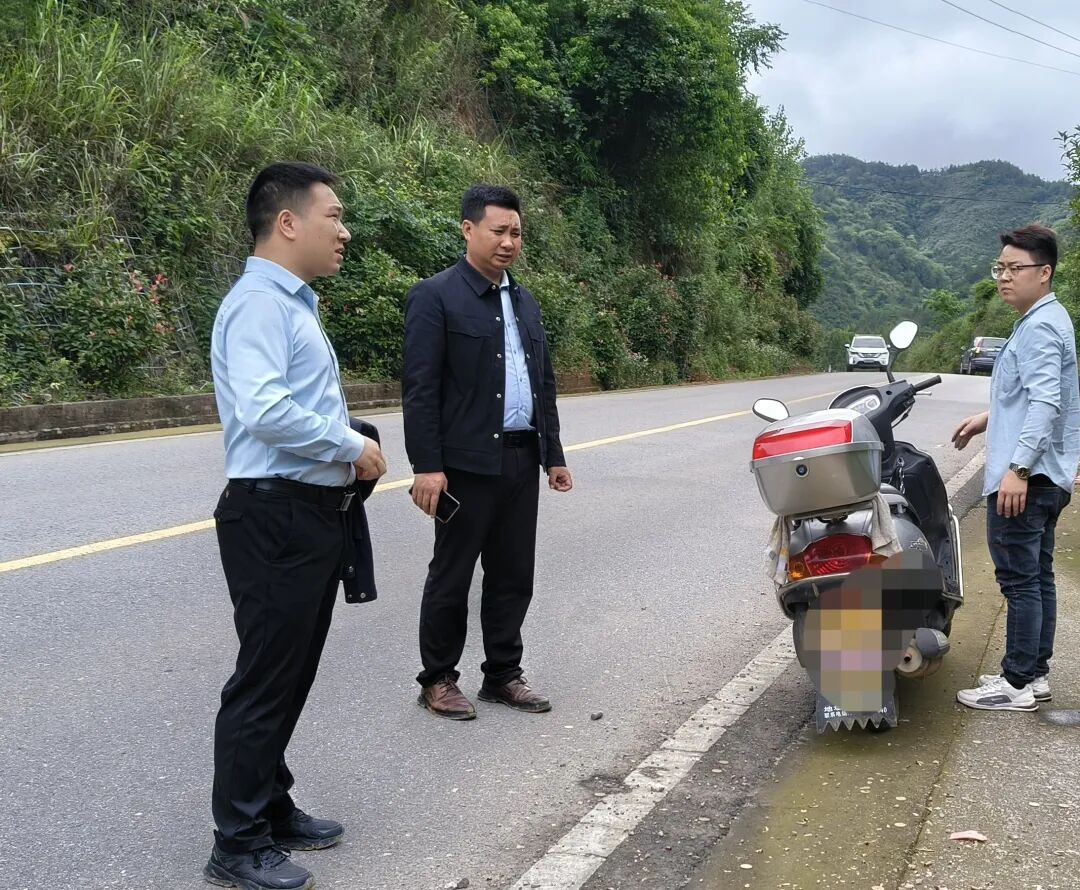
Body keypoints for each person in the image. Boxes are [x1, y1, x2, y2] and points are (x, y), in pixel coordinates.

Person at [205, 161, 387, 890]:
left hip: (305, 511)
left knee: (289, 673)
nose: (343, 232)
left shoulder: (293, 302)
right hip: (273, 512)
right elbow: (265, 410)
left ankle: (271, 808)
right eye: (333, 216)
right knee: (264, 678)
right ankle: (237, 844)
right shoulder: (259, 304)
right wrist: (351, 444)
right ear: (288, 222)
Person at [402, 184, 572, 720]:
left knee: (513, 572)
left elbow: (541, 383)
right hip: (465, 465)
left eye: (516, 232)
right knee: (452, 573)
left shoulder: (524, 301)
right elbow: (421, 388)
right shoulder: (435, 296)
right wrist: (427, 466)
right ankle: (438, 679)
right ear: (468, 229)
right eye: (498, 231)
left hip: (521, 457)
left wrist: (554, 455)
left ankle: (502, 674)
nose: (508, 242)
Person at [953, 224, 1080, 712]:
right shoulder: (1044, 319)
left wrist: (1017, 470)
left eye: (1015, 269)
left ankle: (1016, 683)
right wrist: (989, 419)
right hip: (1050, 474)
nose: (1004, 277)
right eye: (1000, 268)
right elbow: (1034, 396)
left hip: (1030, 478)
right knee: (1037, 576)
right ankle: (1035, 673)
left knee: (1020, 581)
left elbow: (1047, 402)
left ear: (1044, 273)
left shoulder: (1042, 325)